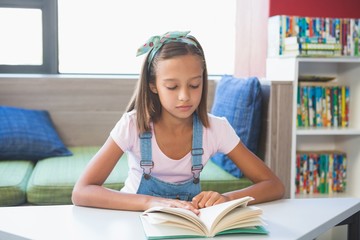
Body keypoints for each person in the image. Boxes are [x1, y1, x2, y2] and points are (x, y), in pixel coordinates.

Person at [72, 31, 285, 214]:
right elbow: (82, 191)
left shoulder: (216, 129)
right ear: (153, 85)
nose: (184, 96)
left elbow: (274, 185)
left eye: (194, 85)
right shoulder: (132, 125)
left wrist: (226, 199)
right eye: (172, 87)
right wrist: (152, 202)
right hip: (134, 220)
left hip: (187, 226)